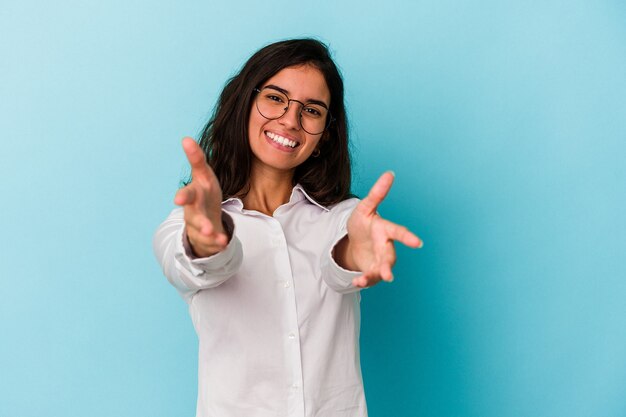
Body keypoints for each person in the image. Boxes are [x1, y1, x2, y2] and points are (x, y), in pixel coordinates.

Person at [153, 38, 422, 417]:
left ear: (326, 132)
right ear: (245, 101)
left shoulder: (345, 217)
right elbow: (199, 262)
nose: (290, 121)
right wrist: (207, 241)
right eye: (276, 98)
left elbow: (338, 263)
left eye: (311, 110)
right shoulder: (187, 221)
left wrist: (355, 252)